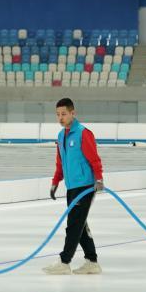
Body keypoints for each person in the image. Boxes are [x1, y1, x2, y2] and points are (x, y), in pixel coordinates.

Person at [45, 98, 104, 275]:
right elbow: (60, 162)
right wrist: (56, 181)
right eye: (58, 114)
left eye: (64, 114)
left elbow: (95, 159)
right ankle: (92, 261)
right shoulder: (61, 136)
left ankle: (64, 261)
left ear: (73, 113)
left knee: (74, 224)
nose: (60, 118)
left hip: (85, 186)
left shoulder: (83, 133)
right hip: (72, 187)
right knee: (80, 225)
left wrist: (99, 179)